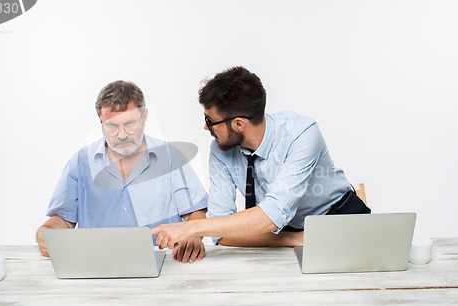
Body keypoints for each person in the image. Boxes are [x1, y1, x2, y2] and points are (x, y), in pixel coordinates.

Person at [152, 66, 370, 249]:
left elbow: (271, 214)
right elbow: (221, 233)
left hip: (340, 220)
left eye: (210, 121)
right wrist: (292, 239)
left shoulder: (302, 134)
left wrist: (190, 227)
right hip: (283, 235)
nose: (205, 127)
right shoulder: (220, 150)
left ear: (238, 124)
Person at [36, 80, 208, 263]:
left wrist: (193, 237)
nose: (122, 135)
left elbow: (194, 214)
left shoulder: (171, 157)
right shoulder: (80, 162)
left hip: (164, 265)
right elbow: (64, 219)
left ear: (144, 117)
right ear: (100, 122)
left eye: (130, 124)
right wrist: (46, 233)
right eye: (112, 126)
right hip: (96, 264)